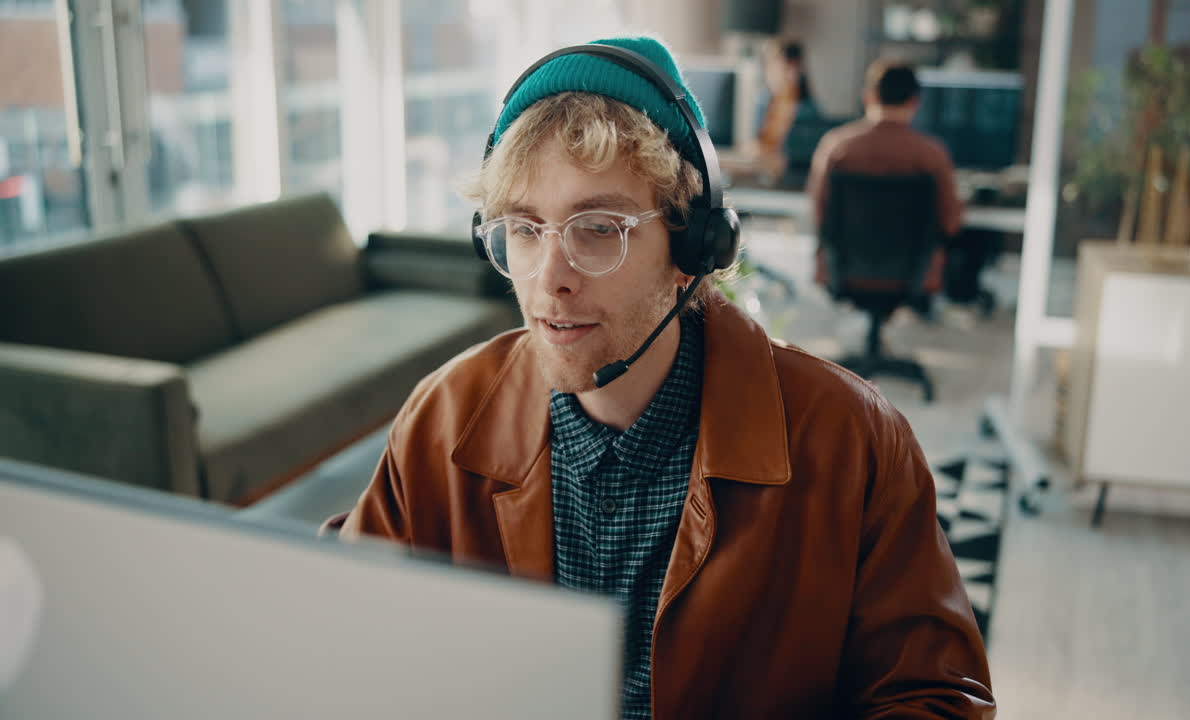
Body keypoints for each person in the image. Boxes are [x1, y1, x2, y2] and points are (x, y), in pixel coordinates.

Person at [336, 37, 994, 720]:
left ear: (692, 247)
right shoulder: (442, 418)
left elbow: (934, 697)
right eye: (526, 229)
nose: (550, 279)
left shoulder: (850, 438)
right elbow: (345, 639)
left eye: (599, 228)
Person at [806, 58, 963, 289]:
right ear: (915, 101)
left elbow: (817, 212)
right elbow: (951, 223)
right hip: (915, 275)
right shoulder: (933, 155)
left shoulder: (836, 147)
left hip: (843, 271)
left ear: (868, 96)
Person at [754, 39, 823, 177]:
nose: (769, 74)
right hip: (764, 171)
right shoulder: (764, 102)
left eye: (776, 67)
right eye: (768, 67)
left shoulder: (807, 111)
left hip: (792, 176)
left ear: (795, 69)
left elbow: (795, 158)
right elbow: (760, 144)